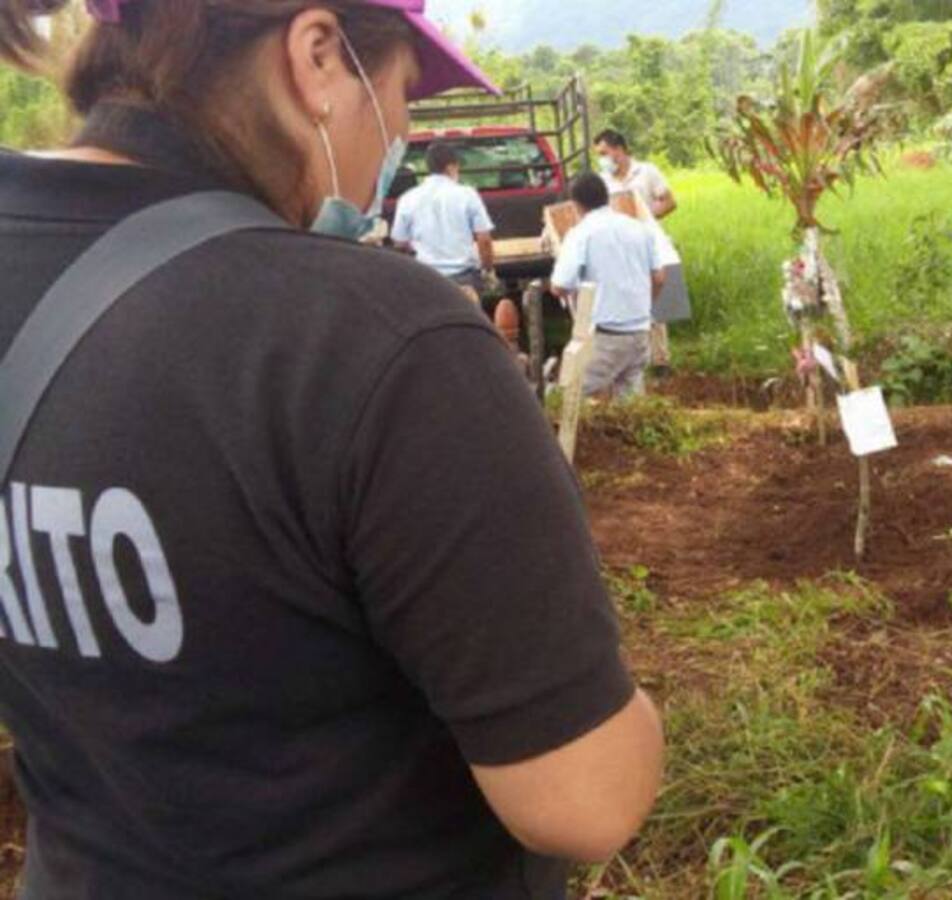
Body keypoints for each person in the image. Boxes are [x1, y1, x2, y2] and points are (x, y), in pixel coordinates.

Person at [0, 2, 664, 898]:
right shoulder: (379, 341)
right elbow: (584, 801)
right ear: (318, 56)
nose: (394, 141)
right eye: (400, 97)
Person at [551, 173, 665, 400]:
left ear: (574, 205)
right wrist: (643, 306)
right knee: (630, 403)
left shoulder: (580, 234)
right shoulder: (639, 228)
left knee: (565, 397)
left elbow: (560, 285)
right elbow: (659, 278)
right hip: (640, 331)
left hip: (606, 334)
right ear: (606, 197)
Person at [593, 128, 690, 377]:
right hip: (618, 249)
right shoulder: (603, 180)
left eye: (604, 153)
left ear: (619, 150)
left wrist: (646, 217)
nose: (602, 159)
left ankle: (660, 360)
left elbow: (669, 201)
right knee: (628, 299)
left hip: (647, 244)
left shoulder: (646, 172)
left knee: (655, 294)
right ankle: (634, 360)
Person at [392, 140, 497, 303]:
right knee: (467, 325)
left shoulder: (407, 199)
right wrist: (488, 270)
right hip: (465, 279)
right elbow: (484, 240)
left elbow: (399, 244)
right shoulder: (467, 195)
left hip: (427, 278)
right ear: (451, 167)